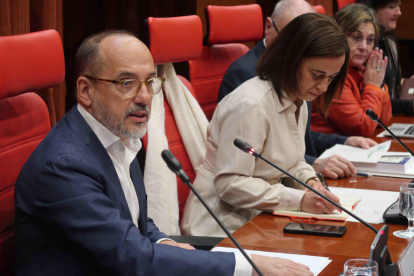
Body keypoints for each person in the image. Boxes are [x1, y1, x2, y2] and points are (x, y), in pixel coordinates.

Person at [14, 31, 313, 276]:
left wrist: (166, 241)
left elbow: (136, 223)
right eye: (127, 82)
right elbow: (130, 254)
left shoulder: (119, 136)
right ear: (85, 91)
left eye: (150, 81)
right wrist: (247, 265)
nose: (144, 96)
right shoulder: (65, 166)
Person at [181, 13, 349, 237]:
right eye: (317, 75)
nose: (324, 87)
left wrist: (311, 182)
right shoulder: (251, 105)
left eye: (331, 77)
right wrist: (299, 198)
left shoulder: (299, 96)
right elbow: (230, 184)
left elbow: (290, 162)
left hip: (264, 218)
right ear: (291, 59)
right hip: (223, 227)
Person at [218, 0, 377, 179]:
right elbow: (252, 166)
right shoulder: (248, 83)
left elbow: (295, 138)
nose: (324, 87)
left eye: (331, 78)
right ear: (269, 27)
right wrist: (311, 169)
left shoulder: (299, 84)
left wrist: (342, 142)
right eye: (292, 37)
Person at [311, 4, 392, 137]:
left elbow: (382, 120)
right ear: (340, 36)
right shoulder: (332, 75)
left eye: (370, 40)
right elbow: (364, 127)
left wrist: (379, 86)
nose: (364, 47)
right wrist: (373, 86)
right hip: (326, 152)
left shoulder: (360, 71)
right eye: (356, 38)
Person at [356, 0, 412, 114]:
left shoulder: (389, 39)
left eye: (399, 6)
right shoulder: (365, 50)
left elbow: (389, 88)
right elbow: (374, 100)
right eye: (391, 7)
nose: (399, 12)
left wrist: (406, 83)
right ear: (371, 10)